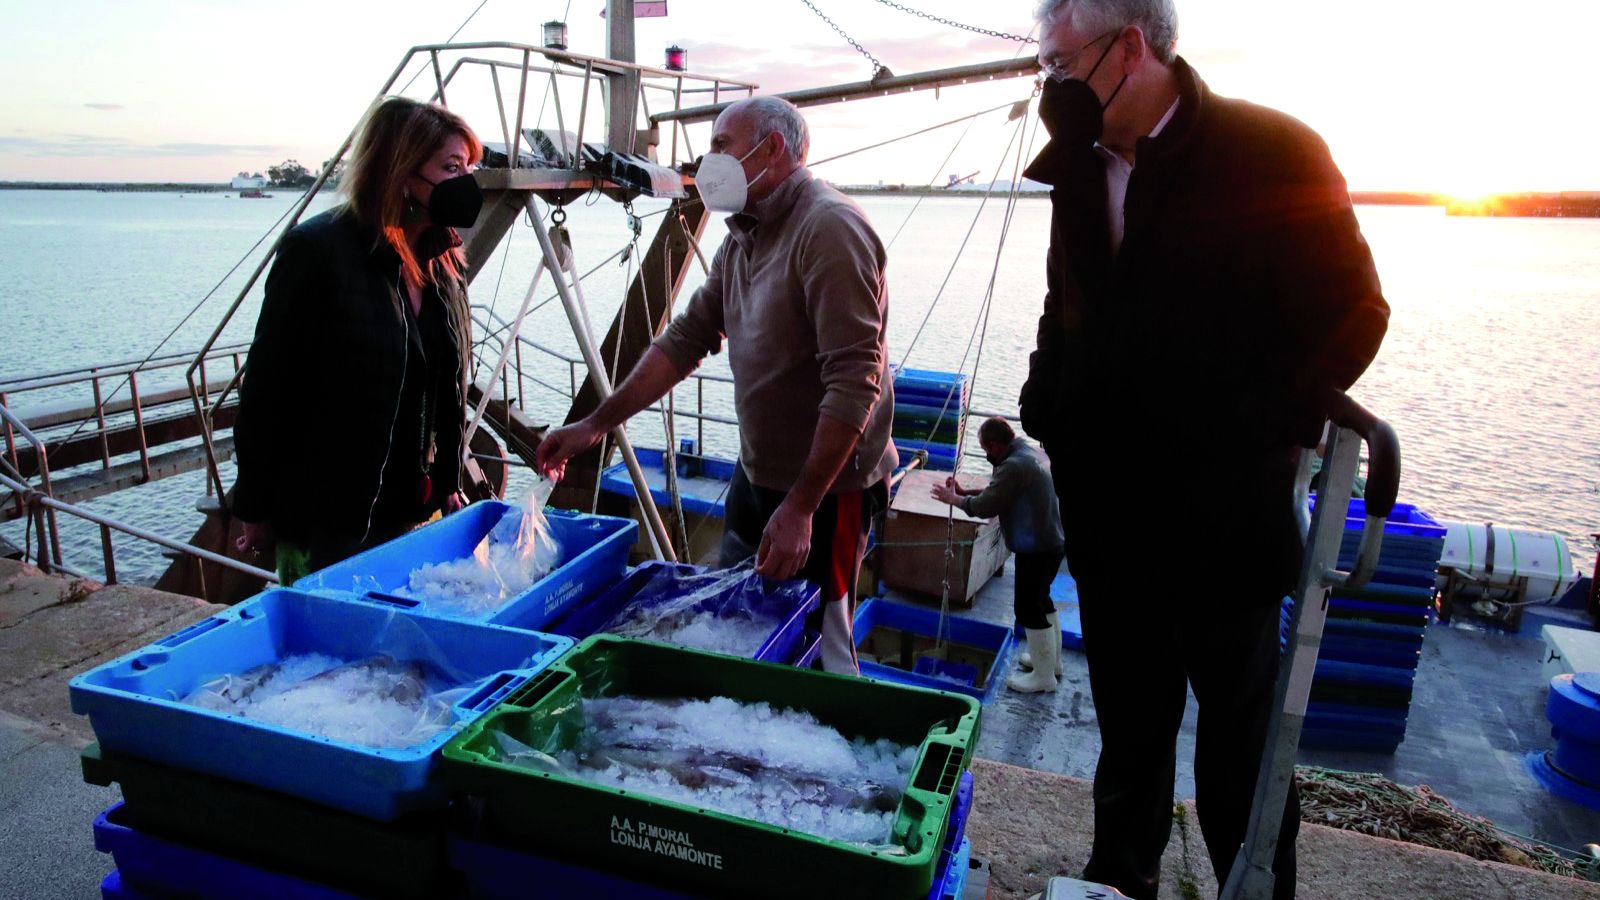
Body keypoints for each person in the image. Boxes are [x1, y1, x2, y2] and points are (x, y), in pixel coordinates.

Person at [1017, 2, 1390, 898]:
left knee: (1240, 745)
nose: (1050, 85)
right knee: (1129, 734)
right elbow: (1065, 300)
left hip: (1227, 523)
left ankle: (1254, 888)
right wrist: (1048, 397)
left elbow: (1355, 313)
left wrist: (1253, 425)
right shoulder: (1080, 160)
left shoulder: (1272, 152)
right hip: (1110, 521)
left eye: (1061, 63)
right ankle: (1120, 881)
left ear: (1130, 48)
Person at [536, 96, 896, 675]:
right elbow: (685, 339)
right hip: (757, 477)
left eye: (722, 146)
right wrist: (593, 425)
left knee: (821, 640)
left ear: (772, 150)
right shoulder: (743, 235)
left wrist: (802, 507)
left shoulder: (829, 228)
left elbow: (857, 380)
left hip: (828, 490)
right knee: (736, 620)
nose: (710, 161)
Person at [232, 97, 486, 584]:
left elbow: (446, 386)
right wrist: (255, 507)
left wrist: (450, 479)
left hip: (413, 516)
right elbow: (267, 391)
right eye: (451, 167)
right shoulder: (317, 253)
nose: (465, 182)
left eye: (468, 166)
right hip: (327, 525)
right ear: (402, 169)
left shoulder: (442, 261)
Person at [929, 417, 1066, 693]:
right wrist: (966, 491)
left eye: (985, 448)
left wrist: (953, 499)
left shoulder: (1014, 465)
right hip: (1052, 543)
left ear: (994, 445)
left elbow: (987, 506)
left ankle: (1044, 677)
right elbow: (1001, 489)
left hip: (1037, 548)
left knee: (1028, 608)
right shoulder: (1026, 452)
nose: (985, 454)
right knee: (1042, 601)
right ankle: (1051, 663)